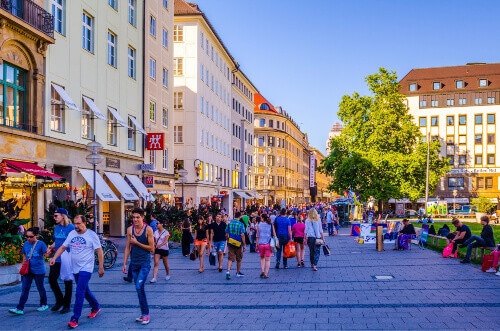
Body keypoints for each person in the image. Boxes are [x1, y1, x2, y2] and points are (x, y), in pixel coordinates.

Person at [50, 215, 104, 329]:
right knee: (84, 290)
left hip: (86, 268)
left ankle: (74, 319)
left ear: (85, 223)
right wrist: (54, 258)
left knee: (79, 292)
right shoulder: (72, 234)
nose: (76, 226)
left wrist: (101, 267)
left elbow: (99, 251)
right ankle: (95, 306)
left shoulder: (91, 235)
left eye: (79, 223)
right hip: (75, 268)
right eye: (75, 223)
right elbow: (63, 247)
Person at [122, 208, 155, 325]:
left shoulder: (148, 230)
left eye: (137, 217)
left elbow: (152, 248)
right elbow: (127, 247)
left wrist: (137, 243)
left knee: (138, 286)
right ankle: (143, 314)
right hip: (134, 264)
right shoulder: (130, 229)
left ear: (142, 217)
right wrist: (125, 263)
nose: (135, 219)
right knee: (139, 288)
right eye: (133, 217)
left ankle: (146, 314)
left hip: (145, 263)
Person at [9, 227, 49, 315]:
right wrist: (23, 267)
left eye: (31, 237)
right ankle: (20, 308)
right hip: (28, 270)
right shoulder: (26, 244)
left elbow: (46, 255)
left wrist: (49, 253)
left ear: (36, 235)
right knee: (25, 289)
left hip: (39, 270)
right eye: (27, 236)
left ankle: (44, 304)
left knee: (40, 287)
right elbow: (24, 256)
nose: (28, 239)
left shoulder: (41, 244)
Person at [45, 208, 75, 314]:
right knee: (52, 279)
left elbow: (73, 242)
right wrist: (50, 247)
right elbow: (57, 241)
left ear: (63, 216)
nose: (54, 218)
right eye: (54, 216)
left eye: (56, 216)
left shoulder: (71, 227)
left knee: (67, 281)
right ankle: (59, 300)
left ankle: (66, 305)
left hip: (67, 257)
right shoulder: (56, 227)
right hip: (57, 258)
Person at [225, 212, 246, 280]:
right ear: (240, 217)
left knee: (230, 258)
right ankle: (237, 272)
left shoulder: (230, 224)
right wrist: (244, 244)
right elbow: (242, 235)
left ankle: (228, 271)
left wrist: (228, 240)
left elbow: (226, 233)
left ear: (234, 216)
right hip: (238, 243)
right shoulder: (241, 224)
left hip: (231, 243)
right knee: (239, 258)